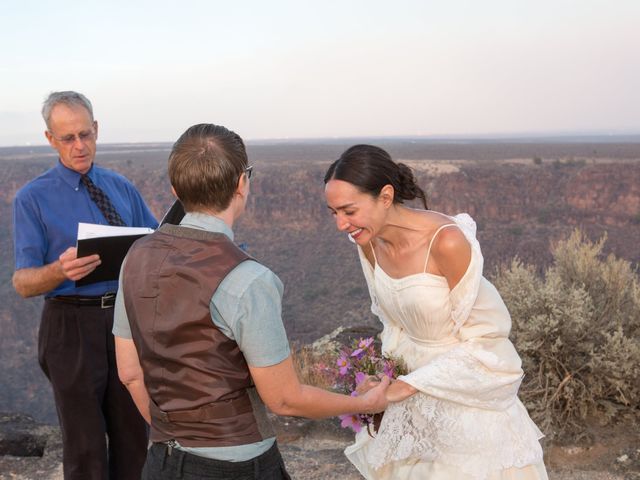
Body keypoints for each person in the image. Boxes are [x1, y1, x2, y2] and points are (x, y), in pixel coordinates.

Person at [113, 123, 390, 480]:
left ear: (175, 189)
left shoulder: (135, 258)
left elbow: (130, 373)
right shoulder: (247, 279)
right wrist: (364, 403)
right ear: (241, 184)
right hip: (236, 468)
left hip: (161, 462)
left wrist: (176, 434)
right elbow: (284, 399)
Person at [324, 144, 548, 480]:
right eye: (333, 213)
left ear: (385, 196)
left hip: (464, 403)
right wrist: (383, 376)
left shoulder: (447, 242)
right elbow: (393, 323)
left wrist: (413, 385)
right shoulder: (369, 243)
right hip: (410, 404)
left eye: (349, 211)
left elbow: (488, 340)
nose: (341, 224)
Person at [12, 91, 157, 480]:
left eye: (85, 135)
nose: (79, 146)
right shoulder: (32, 199)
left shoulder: (121, 186)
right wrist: (60, 270)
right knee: (85, 446)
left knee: (134, 437)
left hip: (124, 322)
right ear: (49, 139)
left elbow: (155, 242)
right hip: (70, 327)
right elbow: (23, 284)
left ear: (96, 129)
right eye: (67, 138)